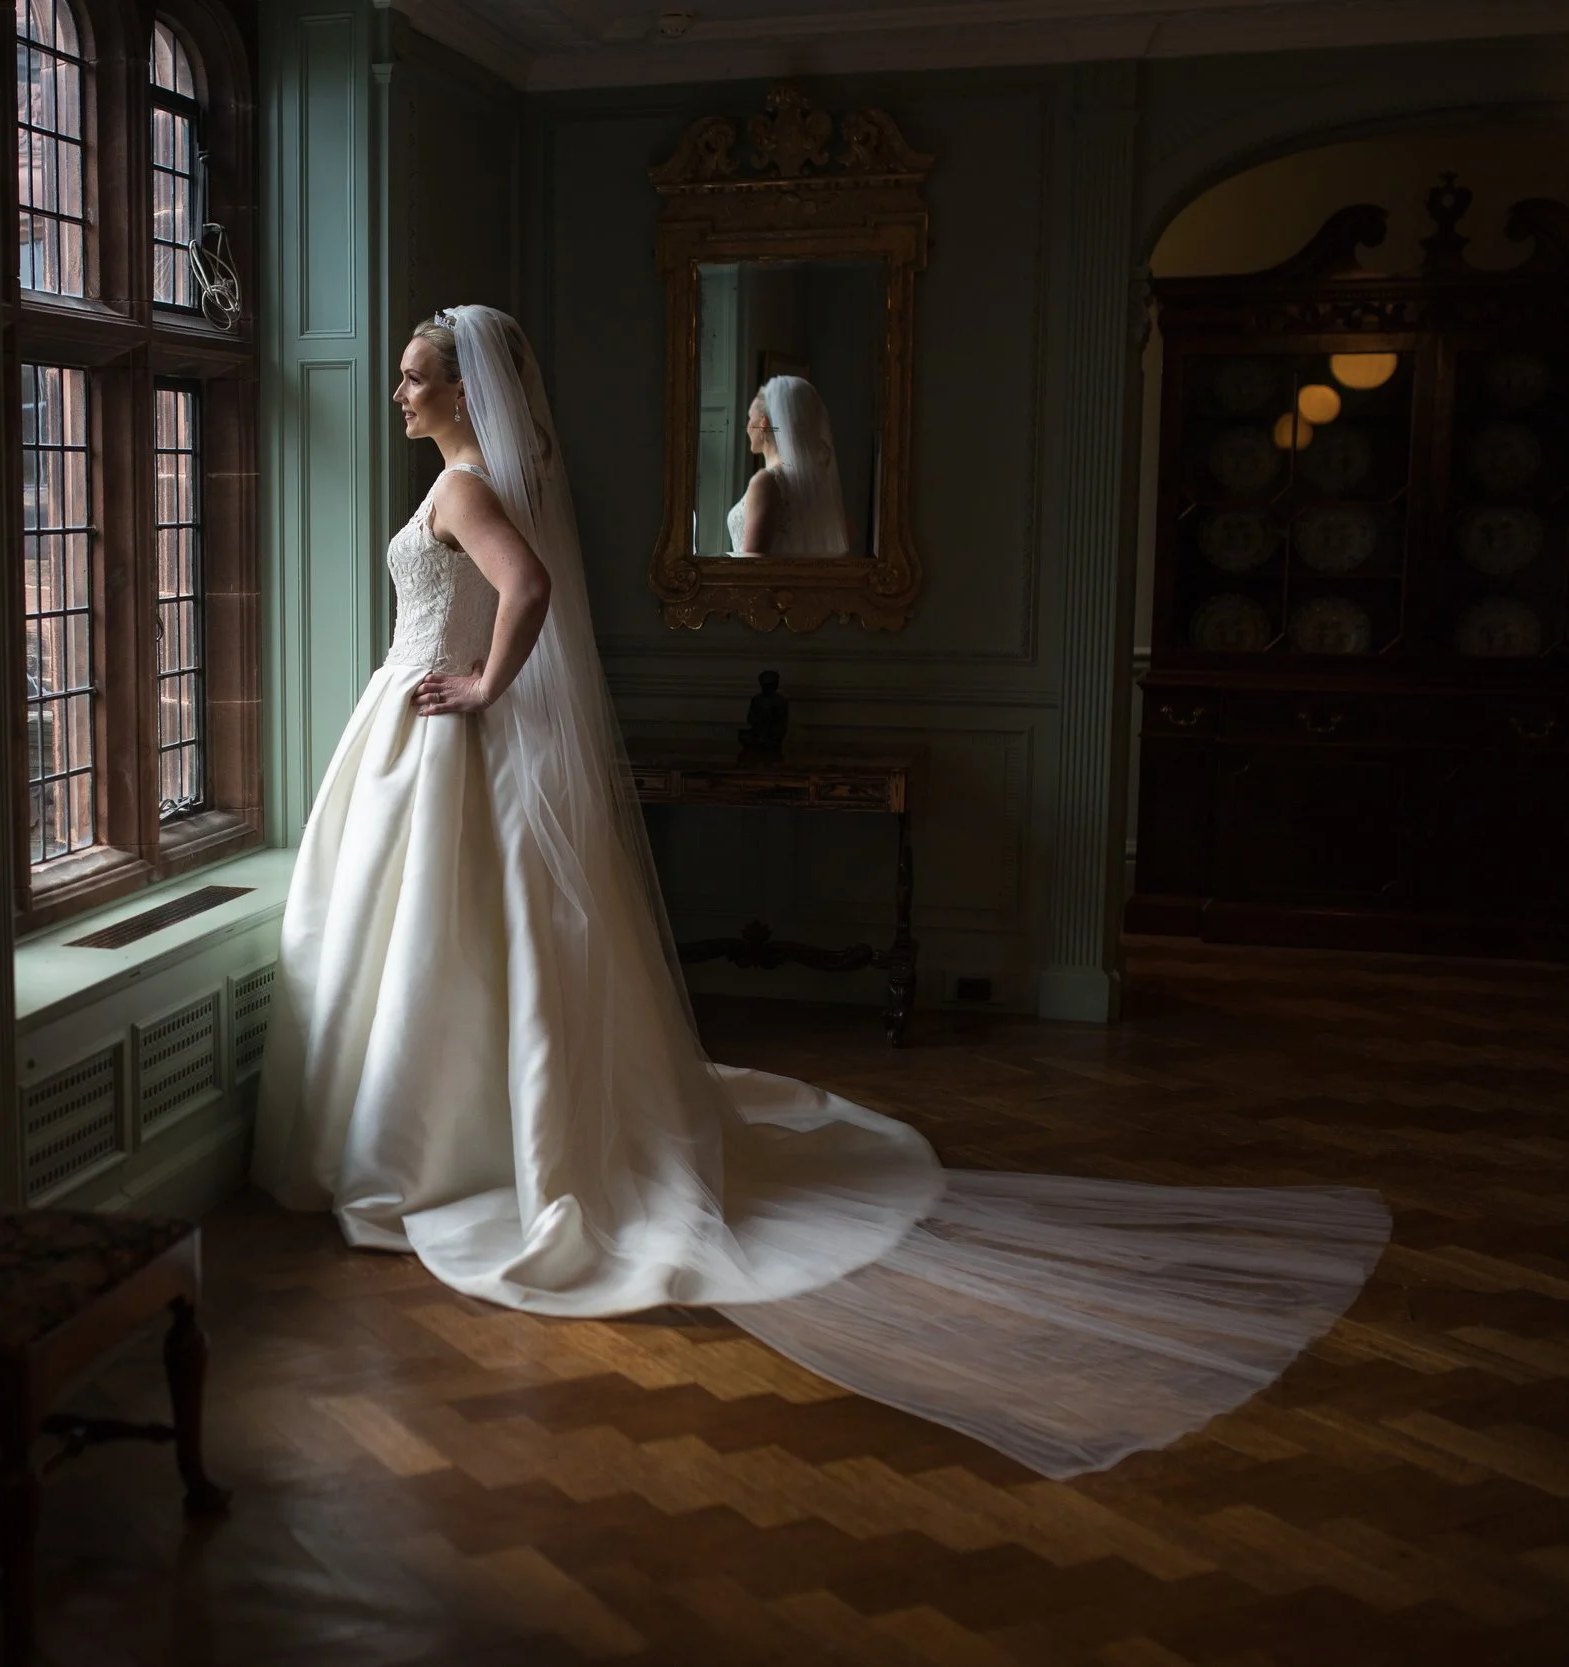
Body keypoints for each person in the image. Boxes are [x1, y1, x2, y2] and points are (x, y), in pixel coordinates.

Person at [251, 304, 1389, 1477]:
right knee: (454, 945)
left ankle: (447, 1146)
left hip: (445, 726)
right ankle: (465, 1124)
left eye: (415, 377)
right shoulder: (466, 478)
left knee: (450, 942)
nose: (399, 394)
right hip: (421, 730)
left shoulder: (469, 489)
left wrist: (487, 685)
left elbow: (526, 587)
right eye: (400, 379)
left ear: (462, 389)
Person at [727, 375, 854, 555]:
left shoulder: (766, 482)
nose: (747, 427)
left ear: (763, 423)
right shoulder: (814, 483)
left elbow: (752, 565)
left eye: (750, 418)